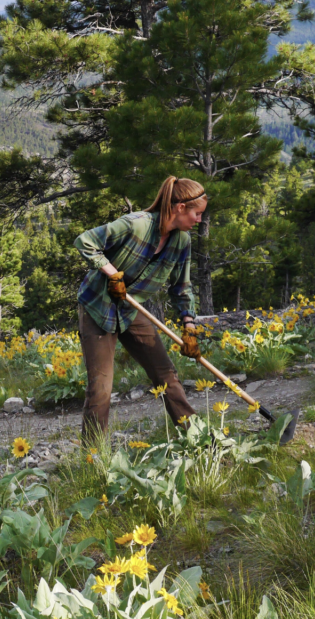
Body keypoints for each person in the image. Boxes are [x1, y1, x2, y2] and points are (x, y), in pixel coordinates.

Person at [73, 176, 208, 441]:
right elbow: (85, 241)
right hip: (98, 308)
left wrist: (189, 326)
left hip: (131, 310)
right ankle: (93, 457)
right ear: (180, 208)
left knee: (166, 374)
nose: (199, 220)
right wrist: (113, 274)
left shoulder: (181, 242)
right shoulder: (135, 225)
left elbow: (182, 287)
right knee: (100, 389)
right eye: (197, 213)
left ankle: (198, 439)